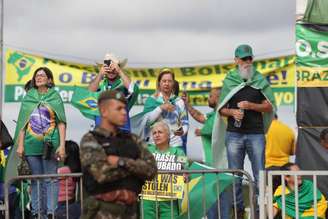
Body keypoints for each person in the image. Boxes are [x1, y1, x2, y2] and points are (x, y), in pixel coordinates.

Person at [216, 44, 276, 218]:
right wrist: (232, 112)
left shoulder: (260, 80)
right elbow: (221, 109)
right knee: (234, 176)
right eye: (243, 59)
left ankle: (259, 213)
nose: (247, 62)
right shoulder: (229, 81)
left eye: (249, 58)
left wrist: (251, 106)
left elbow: (269, 106)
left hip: (256, 134)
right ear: (236, 60)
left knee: (260, 176)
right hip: (234, 134)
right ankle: (238, 212)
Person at [79, 90, 157, 219]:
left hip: (130, 212)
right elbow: (101, 174)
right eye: (119, 109)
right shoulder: (91, 139)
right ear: (104, 111)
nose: (124, 112)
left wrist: (121, 162)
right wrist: (136, 168)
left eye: (125, 108)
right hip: (101, 212)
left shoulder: (133, 140)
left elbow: (152, 170)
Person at [15, 67, 66, 218]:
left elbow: (61, 122)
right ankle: (38, 213)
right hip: (31, 145)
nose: (39, 77)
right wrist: (20, 144)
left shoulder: (55, 97)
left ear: (49, 80)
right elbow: (22, 124)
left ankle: (51, 212)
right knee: (36, 179)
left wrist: (62, 145)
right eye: (36, 75)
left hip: (51, 145)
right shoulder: (29, 97)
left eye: (42, 75)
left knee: (51, 178)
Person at [142, 121, 187, 219]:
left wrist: (185, 175)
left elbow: (186, 171)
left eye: (160, 132)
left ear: (168, 135)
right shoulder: (146, 151)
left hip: (169, 201)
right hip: (147, 200)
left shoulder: (179, 153)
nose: (156, 135)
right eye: (154, 133)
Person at [136, 68, 189, 150]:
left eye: (169, 81)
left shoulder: (179, 101)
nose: (166, 84)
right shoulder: (151, 100)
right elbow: (146, 121)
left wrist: (182, 132)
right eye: (164, 81)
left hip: (175, 145)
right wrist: (161, 108)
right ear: (159, 83)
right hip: (154, 145)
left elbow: (185, 122)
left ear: (173, 83)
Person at [88, 53, 139, 132]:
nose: (111, 70)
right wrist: (100, 75)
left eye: (113, 66)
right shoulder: (99, 85)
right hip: (101, 133)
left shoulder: (123, 85)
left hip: (121, 133)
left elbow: (134, 90)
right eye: (108, 66)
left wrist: (119, 71)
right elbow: (88, 94)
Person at [182, 87, 220, 165]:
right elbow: (200, 116)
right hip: (211, 159)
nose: (208, 99)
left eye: (210, 96)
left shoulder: (221, 114)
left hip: (218, 161)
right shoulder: (213, 114)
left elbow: (213, 128)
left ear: (217, 98)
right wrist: (187, 104)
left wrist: (201, 131)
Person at [266, 114, 295, 193]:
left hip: (268, 167)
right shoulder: (288, 130)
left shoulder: (265, 129)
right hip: (285, 168)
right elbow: (292, 152)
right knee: (284, 194)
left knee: (268, 196)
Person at [55, 140, 81, 219]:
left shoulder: (63, 171)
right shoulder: (76, 169)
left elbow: (48, 178)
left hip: (60, 204)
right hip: (70, 201)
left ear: (67, 154)